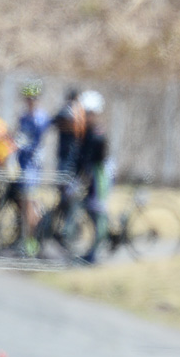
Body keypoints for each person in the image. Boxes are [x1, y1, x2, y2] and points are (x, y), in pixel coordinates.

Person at [13, 80, 53, 255]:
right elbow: (19, 137)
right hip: (21, 164)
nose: (30, 101)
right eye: (28, 98)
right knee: (23, 204)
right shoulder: (23, 117)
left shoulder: (41, 118)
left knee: (30, 205)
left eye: (33, 98)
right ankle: (23, 238)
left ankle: (32, 242)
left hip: (32, 168)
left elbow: (35, 143)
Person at [73, 90, 110, 264]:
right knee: (91, 211)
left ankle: (96, 252)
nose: (86, 116)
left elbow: (93, 161)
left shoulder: (97, 134)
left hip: (99, 177)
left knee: (98, 213)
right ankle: (93, 248)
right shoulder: (86, 132)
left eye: (89, 113)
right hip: (92, 176)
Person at [52, 87, 85, 183]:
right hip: (71, 147)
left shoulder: (72, 110)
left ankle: (66, 194)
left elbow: (57, 120)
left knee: (66, 174)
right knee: (68, 174)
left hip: (69, 148)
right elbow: (56, 121)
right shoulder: (79, 111)